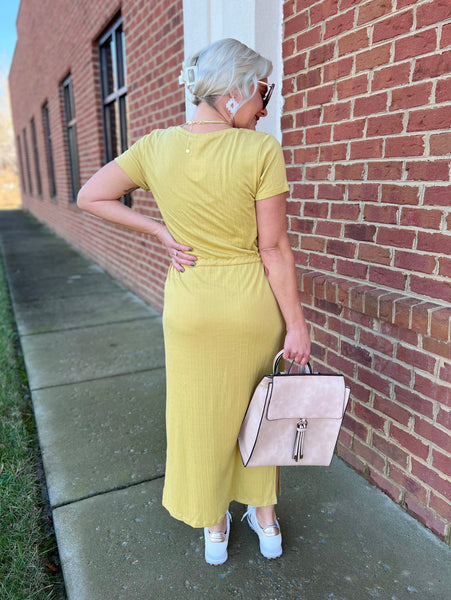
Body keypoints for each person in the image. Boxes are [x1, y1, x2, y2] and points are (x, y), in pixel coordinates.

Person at [77, 38, 311, 565]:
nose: (266, 106)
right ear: (235, 92)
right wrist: (296, 324)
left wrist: (158, 231)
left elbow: (90, 196)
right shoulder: (260, 151)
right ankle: (267, 524)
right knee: (258, 412)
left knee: (201, 418)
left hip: (190, 307)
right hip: (250, 306)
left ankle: (214, 529)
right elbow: (273, 248)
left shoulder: (155, 147)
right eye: (264, 91)